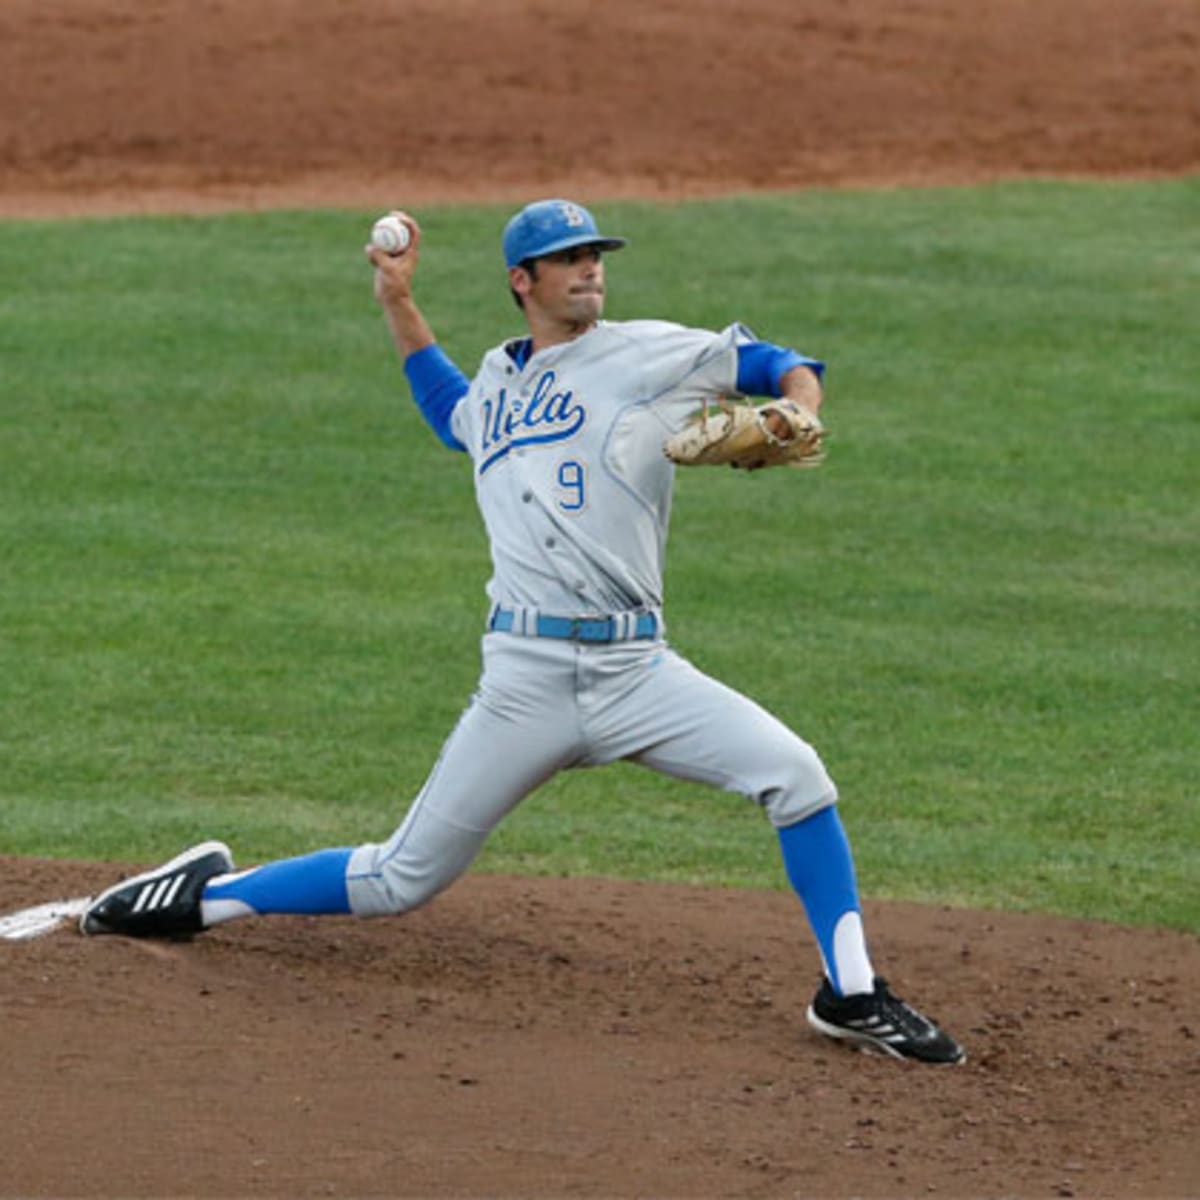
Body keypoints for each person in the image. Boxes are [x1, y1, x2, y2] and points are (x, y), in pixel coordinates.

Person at [80, 199, 964, 1065]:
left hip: (636, 671)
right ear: (522, 280)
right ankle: (206, 898)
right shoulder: (499, 382)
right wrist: (397, 302)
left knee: (797, 776)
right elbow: (449, 414)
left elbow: (779, 362)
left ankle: (850, 993)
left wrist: (801, 407)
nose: (591, 270)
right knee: (400, 878)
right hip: (525, 682)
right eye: (571, 258)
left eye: (596, 255)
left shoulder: (648, 352)